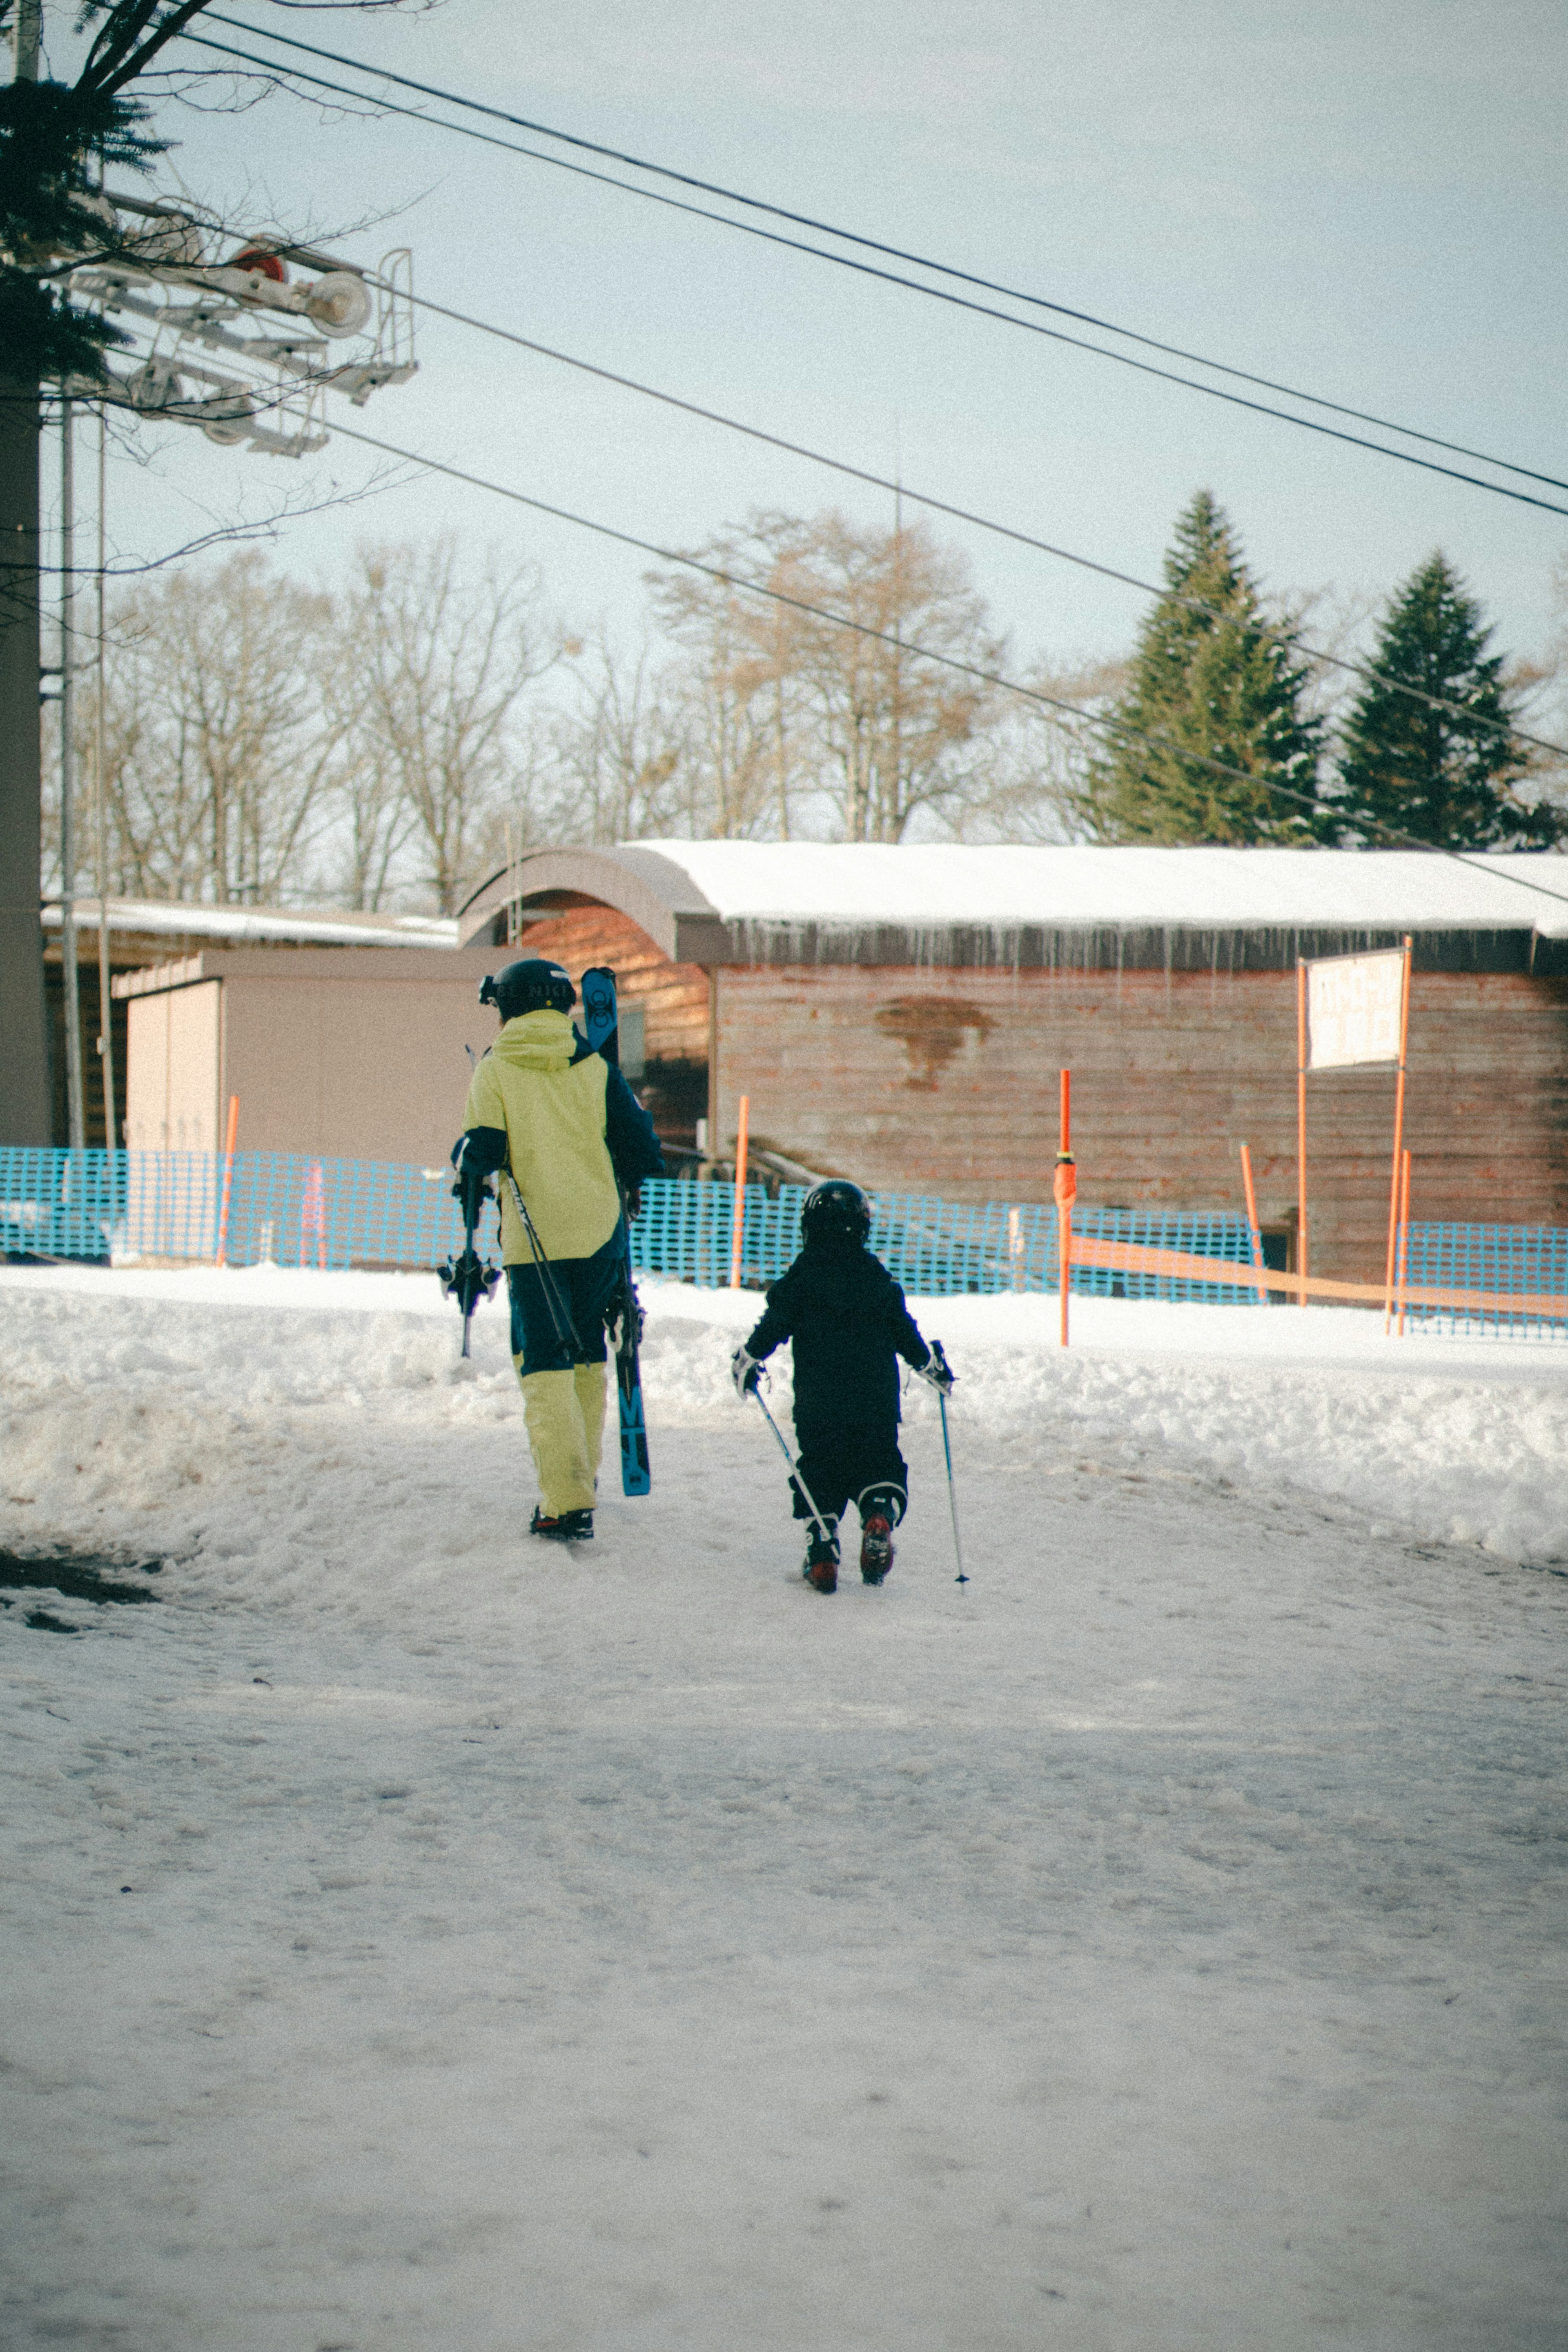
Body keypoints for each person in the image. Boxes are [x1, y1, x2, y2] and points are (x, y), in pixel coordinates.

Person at [452, 956, 664, 1542]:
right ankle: (584, 1476)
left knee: (544, 1364)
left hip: (536, 1241)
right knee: (588, 1357)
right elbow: (644, 1150)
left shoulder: (494, 1070)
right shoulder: (595, 1067)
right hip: (600, 1235)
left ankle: (565, 1502)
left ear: (507, 1006)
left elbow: (484, 1153)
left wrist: (463, 1154)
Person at [730, 1179, 952, 1594]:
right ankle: (879, 1509)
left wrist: (748, 1358)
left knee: (820, 1466)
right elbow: (905, 1334)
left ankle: (821, 1545)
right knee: (878, 1461)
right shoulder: (877, 1278)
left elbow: (773, 1326)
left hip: (820, 1401)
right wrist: (930, 1365)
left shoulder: (802, 1277)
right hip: (874, 1401)